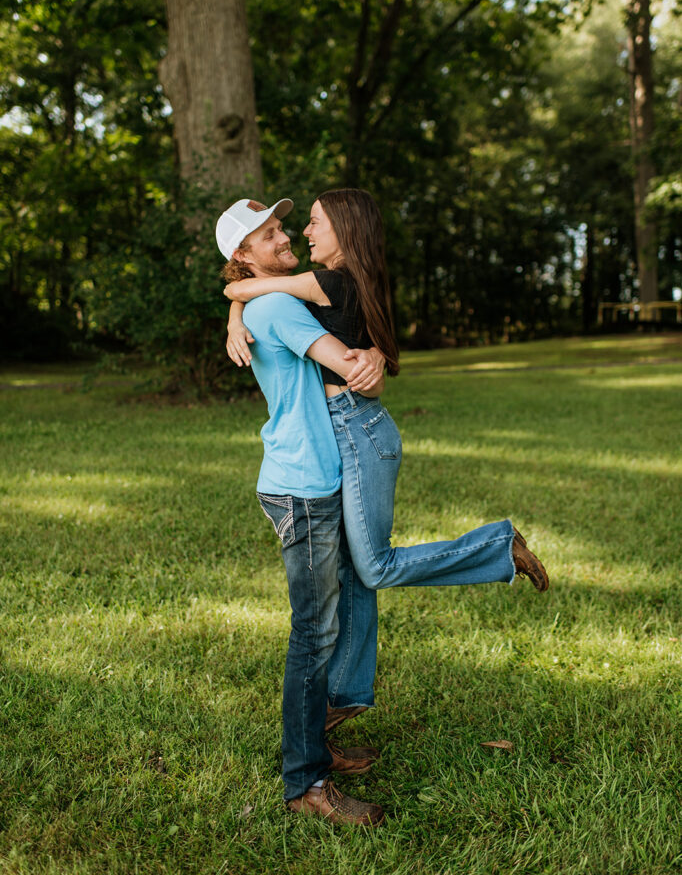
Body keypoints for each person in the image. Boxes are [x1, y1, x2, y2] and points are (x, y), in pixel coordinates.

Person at [225, 188, 549, 595]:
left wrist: (235, 312)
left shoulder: (324, 282)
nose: (300, 232)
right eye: (274, 232)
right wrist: (236, 318)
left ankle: (496, 546)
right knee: (358, 571)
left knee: (374, 567)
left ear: (345, 230)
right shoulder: (352, 280)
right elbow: (255, 292)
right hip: (352, 423)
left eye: (313, 222)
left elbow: (239, 289)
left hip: (355, 423)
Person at [215, 196, 385, 827]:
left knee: (335, 616)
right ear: (244, 254)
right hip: (304, 485)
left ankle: (320, 747)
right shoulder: (281, 305)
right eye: (270, 233)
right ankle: (305, 782)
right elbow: (345, 365)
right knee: (314, 634)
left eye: (284, 226)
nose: (285, 237)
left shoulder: (264, 300)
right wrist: (368, 361)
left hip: (310, 473)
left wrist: (234, 305)